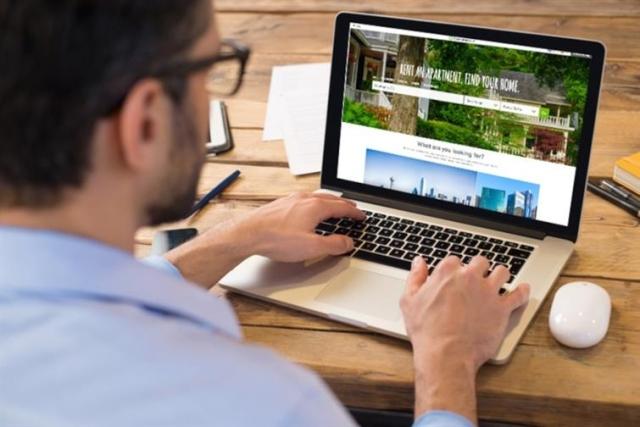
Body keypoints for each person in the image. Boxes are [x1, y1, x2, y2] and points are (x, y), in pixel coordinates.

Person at [0, 1, 530, 426]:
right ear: (144, 122)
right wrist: (448, 361)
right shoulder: (265, 405)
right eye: (208, 72)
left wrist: (234, 238)